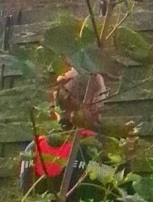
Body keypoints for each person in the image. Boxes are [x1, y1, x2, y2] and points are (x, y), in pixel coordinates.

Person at [21, 68, 116, 200]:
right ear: (91, 102)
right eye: (101, 96)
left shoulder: (32, 149)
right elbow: (119, 189)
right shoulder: (95, 149)